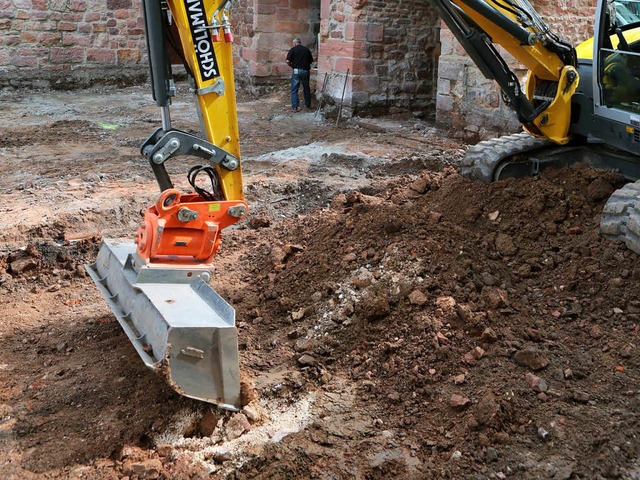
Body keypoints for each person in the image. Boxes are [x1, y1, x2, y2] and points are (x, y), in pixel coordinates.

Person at [286, 38, 313, 112]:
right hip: (305, 71)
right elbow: (311, 61)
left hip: (296, 70)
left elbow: (288, 60)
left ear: (295, 43)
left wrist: (291, 65)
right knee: (306, 87)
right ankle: (308, 105)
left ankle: (295, 107)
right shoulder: (307, 50)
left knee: (294, 89)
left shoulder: (293, 50)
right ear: (300, 43)